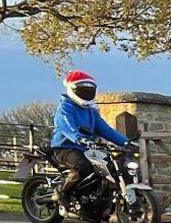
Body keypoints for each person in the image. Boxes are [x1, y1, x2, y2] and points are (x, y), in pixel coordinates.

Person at [48, 70, 128, 206]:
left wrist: (127, 142)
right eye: (82, 90)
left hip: (86, 147)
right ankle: (63, 192)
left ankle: (97, 201)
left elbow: (106, 130)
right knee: (83, 167)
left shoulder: (91, 111)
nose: (86, 93)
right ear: (72, 89)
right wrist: (79, 138)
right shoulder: (65, 107)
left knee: (111, 167)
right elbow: (67, 127)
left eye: (89, 90)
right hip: (65, 148)